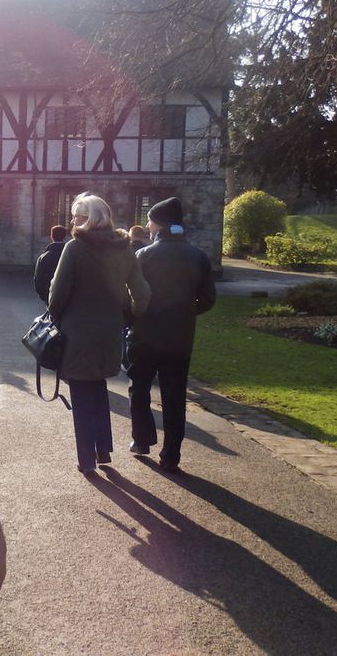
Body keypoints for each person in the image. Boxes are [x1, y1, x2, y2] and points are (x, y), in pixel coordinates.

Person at [48, 193, 150, 474]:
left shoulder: (75, 248)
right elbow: (141, 293)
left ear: (89, 219)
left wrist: (54, 316)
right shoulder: (124, 247)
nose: (72, 221)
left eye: (76, 216)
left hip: (78, 334)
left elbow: (57, 294)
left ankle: (86, 459)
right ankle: (103, 449)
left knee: (81, 394)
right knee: (98, 388)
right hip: (108, 333)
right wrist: (127, 315)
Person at [126, 196, 216, 473]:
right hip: (179, 338)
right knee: (174, 395)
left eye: (151, 220)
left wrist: (134, 317)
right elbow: (209, 299)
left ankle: (141, 441)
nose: (148, 225)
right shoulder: (198, 256)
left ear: (159, 224)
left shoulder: (143, 255)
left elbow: (130, 294)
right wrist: (186, 312)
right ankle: (171, 454)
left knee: (139, 389)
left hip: (145, 335)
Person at [33, 225, 68, 303]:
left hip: (49, 296)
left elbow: (38, 279)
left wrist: (45, 296)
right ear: (65, 236)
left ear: (51, 236)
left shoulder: (44, 257)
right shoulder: (71, 255)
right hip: (68, 297)